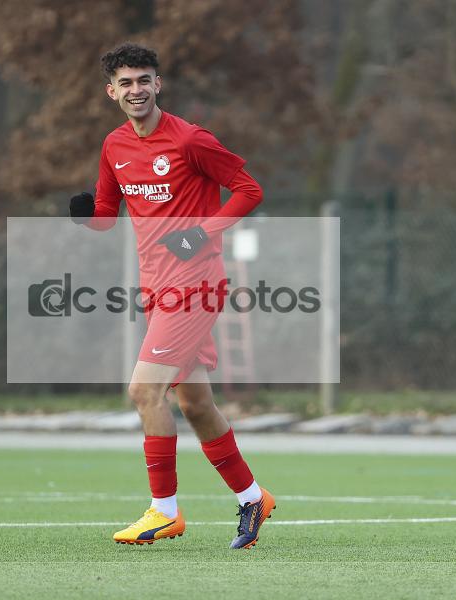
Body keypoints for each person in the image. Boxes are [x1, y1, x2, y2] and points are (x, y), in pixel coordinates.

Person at [69, 42, 274, 549]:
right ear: (111, 91)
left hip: (196, 284)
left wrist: (201, 235)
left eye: (145, 80)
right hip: (157, 288)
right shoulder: (114, 145)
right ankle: (253, 497)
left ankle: (164, 512)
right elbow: (105, 216)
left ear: (158, 84)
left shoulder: (190, 140)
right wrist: (83, 216)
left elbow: (249, 189)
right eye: (126, 83)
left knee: (143, 391)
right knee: (197, 403)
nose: (136, 90)